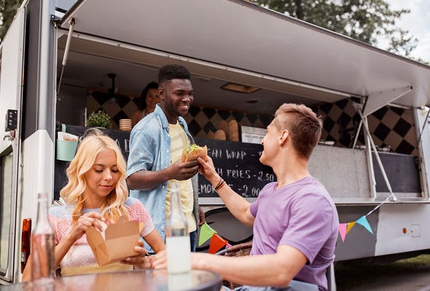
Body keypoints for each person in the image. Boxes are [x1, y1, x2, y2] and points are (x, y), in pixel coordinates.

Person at [154, 103, 339, 291]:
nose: (262, 141)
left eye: (267, 133)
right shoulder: (270, 190)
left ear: (282, 137)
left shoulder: (313, 200)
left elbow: (282, 271)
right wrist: (213, 177)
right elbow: (245, 213)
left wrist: (196, 260)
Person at [23, 132, 164, 280]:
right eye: (99, 169)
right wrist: (72, 235)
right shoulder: (57, 217)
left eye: (115, 170)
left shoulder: (132, 208)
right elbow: (29, 278)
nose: (109, 177)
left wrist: (145, 262)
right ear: (82, 171)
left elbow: (163, 254)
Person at [126, 64, 204, 252]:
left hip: (188, 226)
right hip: (161, 232)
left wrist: (195, 206)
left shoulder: (183, 125)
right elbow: (132, 179)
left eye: (190, 93)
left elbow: (182, 179)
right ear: (161, 94)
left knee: (185, 281)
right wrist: (169, 173)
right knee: (162, 282)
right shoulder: (146, 130)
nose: (187, 99)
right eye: (180, 93)